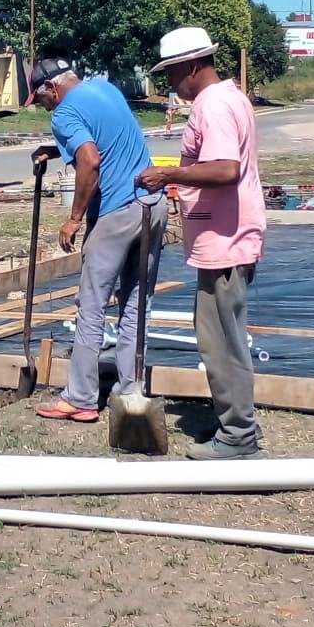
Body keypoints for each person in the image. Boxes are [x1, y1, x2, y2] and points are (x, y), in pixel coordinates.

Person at [136, 27, 266, 459]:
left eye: (172, 73)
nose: (170, 83)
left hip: (227, 240)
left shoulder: (213, 106)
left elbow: (225, 169)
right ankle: (238, 421)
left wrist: (169, 174)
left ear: (192, 66)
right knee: (223, 336)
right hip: (225, 237)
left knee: (220, 340)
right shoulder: (228, 99)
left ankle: (238, 435)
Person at [26, 56, 167, 423]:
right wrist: (58, 150)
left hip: (117, 213)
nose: (42, 108)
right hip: (152, 205)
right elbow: (105, 138)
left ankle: (81, 398)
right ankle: (129, 391)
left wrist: (73, 219)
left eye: (39, 100)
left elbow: (90, 160)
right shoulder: (103, 89)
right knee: (137, 303)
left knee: (91, 305)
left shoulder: (63, 115)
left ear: (52, 89)